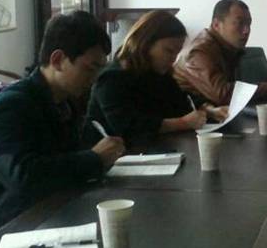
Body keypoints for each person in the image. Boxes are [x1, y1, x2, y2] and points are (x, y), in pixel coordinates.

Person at [0, 11, 125, 234]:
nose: (94, 79)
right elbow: (23, 177)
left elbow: (71, 154)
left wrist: (103, 154)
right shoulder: (11, 106)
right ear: (57, 60)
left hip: (44, 211)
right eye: (90, 68)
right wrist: (94, 159)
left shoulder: (65, 101)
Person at [86, 11, 210, 149]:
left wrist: (207, 109)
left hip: (154, 151)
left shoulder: (158, 73)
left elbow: (181, 103)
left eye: (177, 52)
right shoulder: (112, 78)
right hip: (115, 156)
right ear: (145, 43)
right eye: (169, 51)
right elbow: (128, 127)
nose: (174, 58)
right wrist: (182, 123)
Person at [173, 0, 267, 107]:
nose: (246, 31)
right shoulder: (199, 52)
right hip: (190, 115)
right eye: (239, 23)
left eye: (249, 24)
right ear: (216, 25)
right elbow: (223, 94)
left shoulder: (229, 48)